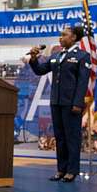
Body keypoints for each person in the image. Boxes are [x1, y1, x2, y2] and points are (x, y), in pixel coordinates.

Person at [27, 23, 91, 182]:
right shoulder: (56, 56)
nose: (60, 38)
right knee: (60, 137)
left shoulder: (82, 56)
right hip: (56, 102)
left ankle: (72, 170)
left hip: (71, 104)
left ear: (74, 37)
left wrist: (78, 103)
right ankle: (61, 169)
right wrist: (34, 59)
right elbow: (40, 70)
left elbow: (83, 82)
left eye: (64, 35)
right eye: (60, 35)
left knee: (72, 137)